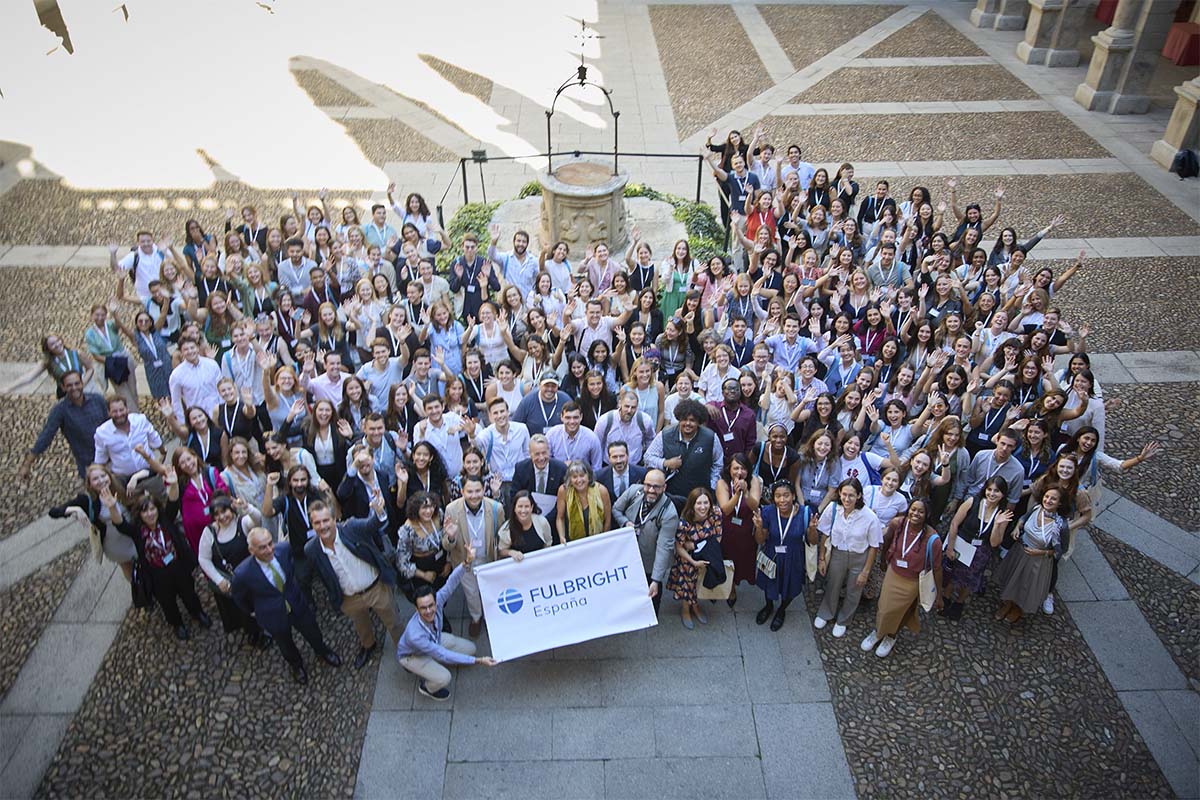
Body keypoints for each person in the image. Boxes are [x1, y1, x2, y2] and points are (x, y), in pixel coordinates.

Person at [232, 527, 342, 684]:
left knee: (312, 630)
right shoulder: (243, 574)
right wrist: (253, 611)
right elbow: (239, 597)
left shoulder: (283, 549)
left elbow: (291, 568)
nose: (269, 550)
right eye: (262, 547)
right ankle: (296, 665)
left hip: (296, 602)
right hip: (272, 614)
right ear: (251, 550)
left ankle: (322, 650)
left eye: (270, 543)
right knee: (285, 643)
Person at [306, 497, 402, 669]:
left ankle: (403, 649)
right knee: (361, 625)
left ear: (335, 519)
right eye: (317, 522)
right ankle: (368, 645)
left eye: (326, 520)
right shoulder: (311, 549)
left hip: (375, 589)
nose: (323, 526)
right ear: (312, 525)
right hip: (349, 598)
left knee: (393, 621)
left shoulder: (350, 528)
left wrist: (379, 511)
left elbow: (372, 525)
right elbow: (323, 575)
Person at [396, 544, 498, 701]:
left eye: (431, 606)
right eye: (423, 608)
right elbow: (442, 654)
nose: (429, 611)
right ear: (416, 610)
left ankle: (432, 666)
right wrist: (478, 661)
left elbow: (451, 582)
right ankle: (427, 687)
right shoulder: (415, 635)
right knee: (444, 677)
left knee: (471, 648)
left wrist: (466, 562)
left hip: (434, 639)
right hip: (413, 654)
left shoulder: (438, 598)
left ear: (436, 602)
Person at [121, 479, 212, 640]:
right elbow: (120, 525)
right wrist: (111, 507)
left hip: (177, 565)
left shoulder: (166, 520)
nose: (150, 514)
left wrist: (174, 483)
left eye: (152, 509)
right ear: (140, 515)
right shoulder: (138, 531)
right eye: (145, 511)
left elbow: (173, 502)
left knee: (188, 592)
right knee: (167, 601)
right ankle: (177, 623)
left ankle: (197, 612)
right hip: (157, 573)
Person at [860, 498, 944, 658]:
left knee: (902, 611)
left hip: (912, 581)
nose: (916, 514)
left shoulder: (933, 540)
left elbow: (937, 569)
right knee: (884, 607)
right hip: (894, 573)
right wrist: (884, 561)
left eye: (920, 511)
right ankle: (878, 632)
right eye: (913, 509)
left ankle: (891, 637)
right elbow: (886, 542)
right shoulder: (897, 524)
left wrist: (939, 595)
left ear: (927, 515)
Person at [815, 478, 883, 637]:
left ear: (859, 495)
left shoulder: (870, 517)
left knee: (854, 589)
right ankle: (826, 612)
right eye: (844, 494)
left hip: (859, 556)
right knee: (833, 584)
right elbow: (824, 534)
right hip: (838, 553)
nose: (846, 499)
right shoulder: (832, 509)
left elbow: (874, 546)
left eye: (851, 495)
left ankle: (844, 619)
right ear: (839, 493)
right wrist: (822, 558)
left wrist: (865, 571)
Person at [993, 487, 1069, 624]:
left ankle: (1018, 608)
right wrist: (1017, 527)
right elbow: (1023, 518)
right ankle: (1008, 603)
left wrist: (1042, 552)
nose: (1048, 500)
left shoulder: (1061, 525)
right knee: (1013, 578)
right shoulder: (1036, 508)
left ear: (1060, 503)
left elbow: (1062, 549)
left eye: (1053, 499)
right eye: (1047, 496)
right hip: (1020, 551)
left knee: (1027, 585)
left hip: (1038, 559)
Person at [48, 463, 136, 582]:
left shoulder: (120, 483)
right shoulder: (86, 500)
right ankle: (139, 591)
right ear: (89, 484)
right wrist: (75, 509)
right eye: (95, 479)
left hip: (132, 533)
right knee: (128, 568)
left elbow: (150, 471)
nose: (101, 481)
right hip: (114, 543)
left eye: (103, 476)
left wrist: (135, 478)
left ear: (109, 476)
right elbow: (53, 512)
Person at [197, 495, 265, 646]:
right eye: (217, 514)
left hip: (251, 577)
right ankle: (253, 633)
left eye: (224, 511)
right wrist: (219, 579)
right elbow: (203, 559)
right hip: (230, 584)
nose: (222, 517)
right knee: (241, 610)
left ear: (232, 509)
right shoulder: (209, 532)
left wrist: (247, 508)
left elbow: (258, 519)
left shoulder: (243, 522)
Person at [442, 475, 505, 638]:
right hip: (465, 561)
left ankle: (493, 616)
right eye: (469, 491)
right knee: (471, 593)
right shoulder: (451, 509)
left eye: (478, 491)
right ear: (462, 491)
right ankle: (476, 618)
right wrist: (450, 537)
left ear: (484, 490)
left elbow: (502, 534)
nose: (474, 495)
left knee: (491, 590)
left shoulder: (496, 508)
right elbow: (446, 545)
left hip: (488, 559)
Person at [941, 478, 1013, 619]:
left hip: (980, 550)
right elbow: (955, 523)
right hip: (961, 543)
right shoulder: (972, 502)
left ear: (1003, 494)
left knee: (970, 579)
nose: (992, 494)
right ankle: (946, 597)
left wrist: (998, 525)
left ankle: (959, 602)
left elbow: (994, 543)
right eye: (989, 489)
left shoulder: (1002, 514)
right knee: (953, 574)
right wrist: (950, 547)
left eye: (996, 491)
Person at [19, 370, 109, 483]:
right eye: (69, 385)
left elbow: (113, 424)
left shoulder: (98, 400)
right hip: (88, 463)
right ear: (63, 387)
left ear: (82, 383)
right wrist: (27, 464)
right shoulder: (60, 411)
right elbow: (46, 437)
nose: (74, 388)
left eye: (77, 383)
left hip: (110, 457)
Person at [611, 468, 678, 615]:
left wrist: (655, 579)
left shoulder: (669, 513)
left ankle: (649, 616)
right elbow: (616, 509)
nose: (651, 490)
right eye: (648, 485)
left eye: (656, 487)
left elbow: (664, 548)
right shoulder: (634, 491)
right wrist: (624, 522)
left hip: (650, 560)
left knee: (651, 594)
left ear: (664, 487)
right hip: (628, 554)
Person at [752, 480, 813, 631]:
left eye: (786, 495)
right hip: (771, 555)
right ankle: (768, 606)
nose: (782, 500)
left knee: (790, 586)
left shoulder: (805, 513)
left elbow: (813, 541)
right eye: (778, 496)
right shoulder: (767, 512)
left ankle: (782, 610)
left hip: (794, 558)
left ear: (793, 496)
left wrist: (812, 529)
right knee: (768, 584)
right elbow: (760, 539)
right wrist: (759, 527)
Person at [260, 465, 325, 603]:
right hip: (298, 551)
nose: (300, 484)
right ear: (289, 482)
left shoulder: (314, 495)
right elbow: (266, 512)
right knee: (302, 581)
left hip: (320, 545)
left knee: (327, 573)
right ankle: (309, 604)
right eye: (295, 480)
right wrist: (269, 485)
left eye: (303, 480)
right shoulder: (285, 500)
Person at [644, 399, 724, 509]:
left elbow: (718, 463)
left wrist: (712, 486)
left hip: (699, 498)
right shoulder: (665, 435)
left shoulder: (711, 438)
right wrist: (665, 463)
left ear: (698, 421)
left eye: (692, 420)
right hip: (671, 496)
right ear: (678, 419)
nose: (688, 423)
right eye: (684, 419)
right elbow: (648, 457)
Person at [667, 488, 723, 629]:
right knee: (688, 585)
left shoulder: (716, 514)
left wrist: (699, 547)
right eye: (699, 503)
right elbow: (679, 547)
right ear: (692, 504)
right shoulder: (684, 522)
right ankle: (686, 609)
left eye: (706, 503)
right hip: (688, 559)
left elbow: (718, 535)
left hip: (707, 555)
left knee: (699, 584)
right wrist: (693, 561)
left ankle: (696, 606)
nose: (703, 507)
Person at [716, 453, 762, 607]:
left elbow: (755, 505)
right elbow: (726, 509)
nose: (739, 472)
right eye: (736, 468)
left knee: (743, 559)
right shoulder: (722, 483)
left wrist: (746, 492)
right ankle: (731, 588)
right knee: (728, 559)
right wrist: (737, 494)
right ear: (729, 468)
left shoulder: (754, 481)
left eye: (743, 468)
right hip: (728, 529)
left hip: (746, 529)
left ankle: (739, 580)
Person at [93, 395, 164, 493]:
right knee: (136, 507)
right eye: (114, 411)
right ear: (109, 413)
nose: (119, 414)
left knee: (162, 500)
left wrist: (161, 459)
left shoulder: (140, 420)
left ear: (127, 409)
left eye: (121, 410)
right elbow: (100, 461)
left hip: (149, 472)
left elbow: (156, 440)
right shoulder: (102, 433)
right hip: (125, 480)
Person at [556, 460, 612, 542]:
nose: (579, 480)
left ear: (589, 476)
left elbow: (607, 519)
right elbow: (560, 518)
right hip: (573, 542)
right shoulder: (564, 491)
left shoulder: (601, 491)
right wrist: (561, 537)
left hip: (597, 541)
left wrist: (603, 540)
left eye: (582, 476)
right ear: (570, 479)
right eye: (574, 477)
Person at [169, 338, 223, 420]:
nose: (190, 351)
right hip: (197, 418)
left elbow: (221, 389)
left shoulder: (212, 365)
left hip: (217, 413)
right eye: (186, 349)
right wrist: (182, 422)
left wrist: (224, 410)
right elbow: (176, 402)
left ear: (197, 348)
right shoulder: (177, 375)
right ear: (181, 352)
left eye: (192, 348)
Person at [512, 370, 573, 436]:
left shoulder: (566, 400)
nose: (550, 389)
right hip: (533, 442)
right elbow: (515, 425)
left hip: (559, 442)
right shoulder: (528, 401)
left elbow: (574, 422)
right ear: (539, 385)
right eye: (546, 385)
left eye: (553, 386)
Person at [545, 402, 603, 472]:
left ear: (581, 417)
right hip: (557, 478)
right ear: (561, 417)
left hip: (582, 479)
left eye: (575, 417)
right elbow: (546, 461)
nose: (572, 422)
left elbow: (597, 467)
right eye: (568, 418)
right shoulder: (552, 435)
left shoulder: (592, 438)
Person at [497, 491, 555, 558]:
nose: (523, 510)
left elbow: (548, 544)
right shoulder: (506, 529)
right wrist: (511, 552)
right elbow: (501, 551)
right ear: (514, 508)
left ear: (532, 507)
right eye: (520, 506)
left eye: (527, 506)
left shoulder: (542, 522)